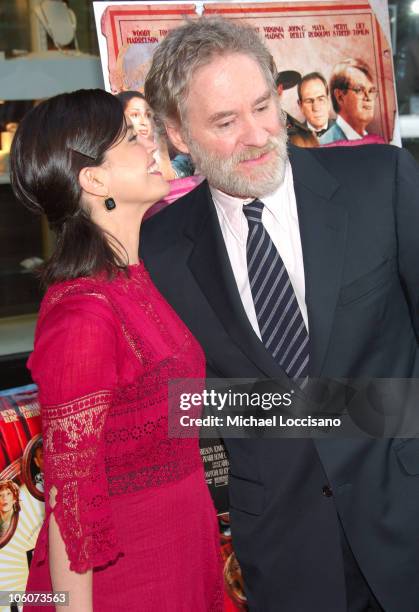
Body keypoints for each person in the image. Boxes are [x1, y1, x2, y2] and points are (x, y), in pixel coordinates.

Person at [142, 16, 419, 612]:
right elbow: (186, 403)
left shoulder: (382, 183)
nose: (256, 134)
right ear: (178, 135)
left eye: (264, 106)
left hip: (407, 517)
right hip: (286, 552)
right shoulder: (157, 251)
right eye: (224, 121)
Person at [10, 89, 223, 612]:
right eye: (130, 137)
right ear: (94, 180)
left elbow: (171, 410)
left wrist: (348, 411)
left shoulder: (133, 280)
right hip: (122, 582)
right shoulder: (82, 313)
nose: (150, 143)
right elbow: (70, 503)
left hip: (182, 555)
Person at [319, 58, 379, 144]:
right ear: (340, 97)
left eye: (371, 90)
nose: (368, 98)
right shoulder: (325, 145)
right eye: (359, 90)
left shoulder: (374, 143)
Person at [297, 71, 334, 137]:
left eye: (321, 99)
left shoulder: (347, 133)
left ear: (328, 102)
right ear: (300, 106)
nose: (316, 108)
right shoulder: (292, 139)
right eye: (309, 101)